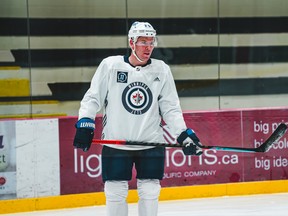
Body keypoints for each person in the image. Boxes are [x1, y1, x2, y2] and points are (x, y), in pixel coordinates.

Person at [73, 21, 202, 216]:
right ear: (131, 43)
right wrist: (85, 123)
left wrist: (183, 134)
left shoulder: (162, 69)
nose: (148, 47)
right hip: (116, 142)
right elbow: (92, 98)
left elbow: (171, 108)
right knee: (115, 191)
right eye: (143, 42)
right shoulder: (110, 66)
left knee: (150, 191)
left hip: (151, 142)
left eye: (151, 42)